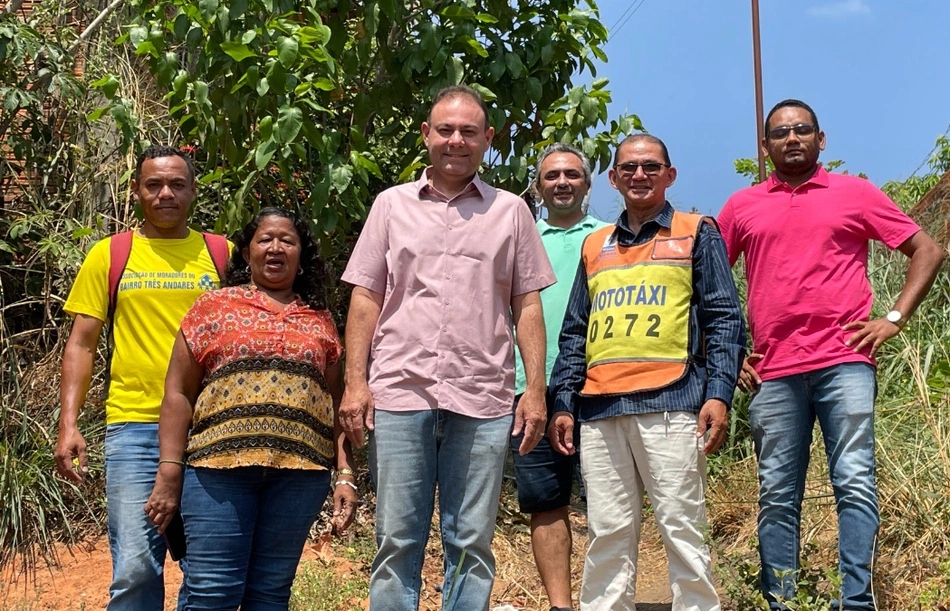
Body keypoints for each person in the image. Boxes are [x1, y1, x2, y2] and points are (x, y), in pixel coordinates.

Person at [718, 99, 945, 610]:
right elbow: (706, 281)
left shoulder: (855, 193)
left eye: (802, 130)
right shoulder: (741, 206)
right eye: (780, 133)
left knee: (855, 482)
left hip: (845, 361)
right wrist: (730, 354)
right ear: (765, 146)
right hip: (773, 371)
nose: (791, 138)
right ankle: (783, 602)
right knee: (777, 494)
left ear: (822, 140)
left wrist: (893, 319)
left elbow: (927, 250)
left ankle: (856, 601)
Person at [339, 85, 556, 611]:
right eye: (445, 130)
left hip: (482, 399)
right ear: (426, 136)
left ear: (488, 140)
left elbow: (527, 304)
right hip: (400, 392)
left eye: (468, 131)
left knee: (471, 543)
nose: (455, 140)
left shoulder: (511, 212)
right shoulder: (390, 206)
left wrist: (534, 391)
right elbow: (365, 297)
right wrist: (354, 383)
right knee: (396, 540)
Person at [549, 134, 745, 611]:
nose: (640, 175)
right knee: (608, 533)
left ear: (670, 176)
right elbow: (576, 331)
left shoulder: (697, 230)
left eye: (651, 167)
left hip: (673, 405)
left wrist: (718, 394)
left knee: (681, 527)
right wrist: (563, 403)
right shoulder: (596, 245)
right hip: (600, 410)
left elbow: (724, 317)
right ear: (613, 179)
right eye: (629, 168)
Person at [144, 207, 357, 610]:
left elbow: (336, 404)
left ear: (301, 253)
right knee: (213, 592)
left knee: (270, 594)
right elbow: (178, 393)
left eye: (287, 241)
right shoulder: (212, 307)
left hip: (300, 476)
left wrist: (345, 474)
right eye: (265, 239)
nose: (276, 248)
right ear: (246, 252)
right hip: (217, 473)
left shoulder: (321, 318)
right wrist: (170, 469)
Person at [54, 146, 228, 610]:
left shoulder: (222, 254)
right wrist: (68, 423)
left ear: (193, 191)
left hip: (213, 431)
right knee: (135, 568)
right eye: (153, 185)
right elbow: (82, 344)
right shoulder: (111, 255)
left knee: (210, 570)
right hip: (135, 429)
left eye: (176, 184)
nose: (165, 193)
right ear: (136, 191)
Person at [510, 143, 610, 611]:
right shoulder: (518, 238)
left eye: (572, 174)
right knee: (545, 502)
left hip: (603, 388)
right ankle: (561, 606)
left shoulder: (610, 238)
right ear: (538, 186)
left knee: (611, 503)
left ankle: (609, 599)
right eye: (552, 176)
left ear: (588, 185)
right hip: (531, 389)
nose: (562, 182)